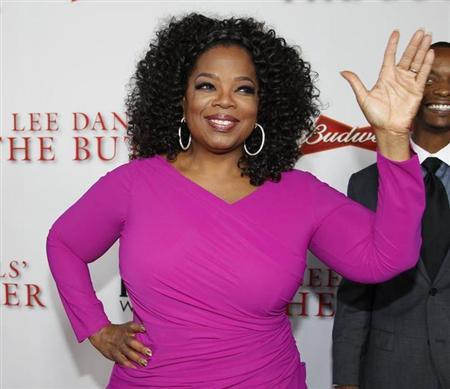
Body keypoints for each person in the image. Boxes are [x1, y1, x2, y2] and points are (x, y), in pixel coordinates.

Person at [46, 14, 433, 388]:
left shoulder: (301, 194)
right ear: (180, 99)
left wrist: (394, 138)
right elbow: (64, 243)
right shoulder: (133, 185)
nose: (225, 102)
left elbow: (387, 259)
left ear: (263, 106)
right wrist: (95, 328)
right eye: (207, 86)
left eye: (244, 89)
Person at [332, 41, 449, 389]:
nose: (443, 89)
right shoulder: (366, 184)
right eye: (430, 78)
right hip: (390, 370)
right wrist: (346, 380)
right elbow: (356, 292)